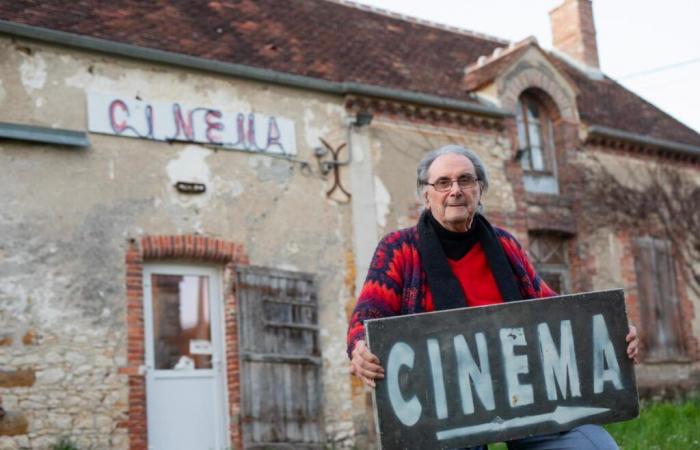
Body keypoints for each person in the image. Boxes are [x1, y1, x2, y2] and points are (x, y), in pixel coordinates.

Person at [346, 144, 639, 450]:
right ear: (426, 195)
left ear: (480, 189)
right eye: (443, 183)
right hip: (443, 408)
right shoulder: (399, 248)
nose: (455, 190)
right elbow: (367, 315)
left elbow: (554, 309)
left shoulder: (505, 245)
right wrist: (360, 347)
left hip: (528, 395)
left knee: (595, 446)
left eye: (466, 180)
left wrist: (615, 331)